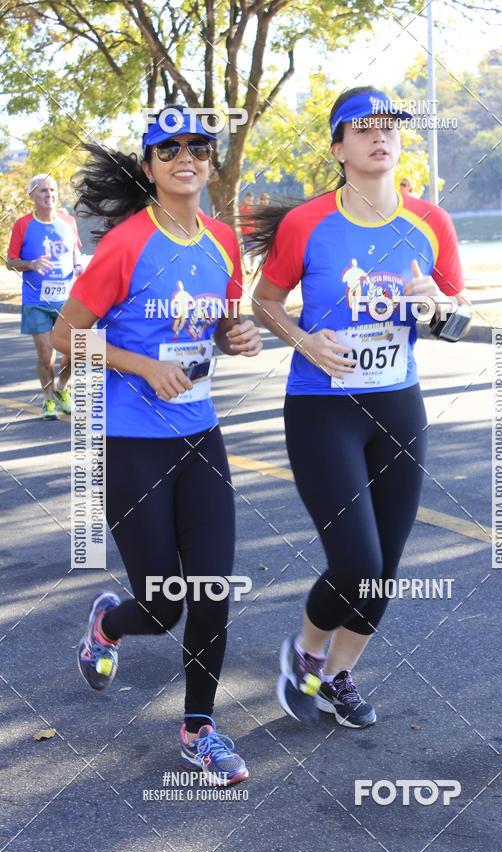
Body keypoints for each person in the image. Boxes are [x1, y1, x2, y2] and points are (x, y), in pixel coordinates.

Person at [52, 107, 261, 782]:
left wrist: (240, 336)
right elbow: (64, 336)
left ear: (209, 162)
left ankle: (199, 729)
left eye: (198, 146)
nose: (185, 156)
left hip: (201, 436)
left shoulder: (222, 242)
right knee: (163, 602)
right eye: (167, 148)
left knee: (211, 591)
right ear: (149, 168)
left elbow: (225, 321)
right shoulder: (125, 245)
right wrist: (142, 365)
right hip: (131, 441)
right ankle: (110, 624)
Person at [250, 86, 468, 729]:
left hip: (399, 406)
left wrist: (438, 309)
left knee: (385, 572)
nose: (381, 136)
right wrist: (301, 338)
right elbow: (264, 303)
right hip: (324, 409)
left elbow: (456, 317)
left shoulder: (432, 221)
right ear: (338, 147)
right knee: (358, 563)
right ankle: (305, 653)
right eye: (363, 127)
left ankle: (339, 676)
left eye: (390, 127)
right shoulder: (307, 222)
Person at [6, 175, 82, 420]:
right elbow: (10, 261)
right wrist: (30, 264)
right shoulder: (22, 224)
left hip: (65, 299)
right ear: (32, 196)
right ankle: (49, 399)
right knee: (46, 354)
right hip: (36, 300)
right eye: (42, 191)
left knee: (74, 352)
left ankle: (62, 387)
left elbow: (75, 251)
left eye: (52, 190)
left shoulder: (68, 221)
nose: (49, 195)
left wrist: (78, 266)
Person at [239, 190, 256, 275]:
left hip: (252, 233)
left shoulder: (253, 209)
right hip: (243, 234)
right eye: (248, 200)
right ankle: (247, 268)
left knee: (254, 251)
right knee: (244, 252)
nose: (249, 202)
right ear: (245, 199)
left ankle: (252, 267)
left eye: (251, 200)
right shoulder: (240, 209)